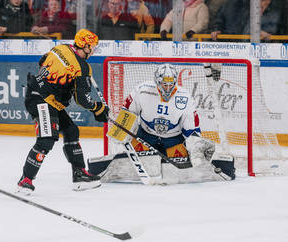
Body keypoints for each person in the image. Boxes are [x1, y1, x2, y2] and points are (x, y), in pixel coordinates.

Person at [88, 64, 235, 184]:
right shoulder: (142, 90)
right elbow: (128, 113)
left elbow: (191, 130)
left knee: (183, 157)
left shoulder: (185, 98)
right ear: (157, 81)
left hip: (173, 140)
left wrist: (195, 147)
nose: (167, 87)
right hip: (145, 137)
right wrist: (120, 132)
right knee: (141, 155)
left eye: (170, 84)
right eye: (164, 84)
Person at [17, 29, 109, 195]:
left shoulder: (61, 48)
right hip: (41, 99)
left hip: (45, 98)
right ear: (85, 46)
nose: (93, 50)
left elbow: (42, 60)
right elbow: (81, 99)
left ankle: (79, 174)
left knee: (71, 130)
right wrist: (98, 108)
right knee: (46, 139)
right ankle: (26, 180)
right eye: (92, 47)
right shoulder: (82, 67)